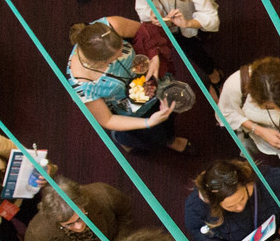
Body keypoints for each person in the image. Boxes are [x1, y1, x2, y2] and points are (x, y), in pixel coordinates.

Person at [65, 17, 190, 155]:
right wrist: (148, 122)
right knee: (154, 137)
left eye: (122, 49)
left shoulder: (110, 26)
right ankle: (129, 139)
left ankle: (170, 138)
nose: (122, 56)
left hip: (154, 83)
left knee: (170, 115)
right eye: (114, 58)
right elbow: (107, 120)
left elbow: (143, 33)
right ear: (99, 64)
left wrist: (154, 57)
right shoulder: (82, 85)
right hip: (133, 112)